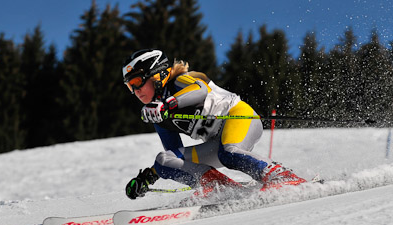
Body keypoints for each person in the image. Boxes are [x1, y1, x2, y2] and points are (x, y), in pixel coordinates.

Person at [121, 48, 306, 200]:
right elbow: (175, 156)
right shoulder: (159, 115)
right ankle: (220, 188)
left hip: (240, 117)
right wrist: (148, 177)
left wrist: (167, 104)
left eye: (137, 82)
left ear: (156, 74)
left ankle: (281, 176)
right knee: (164, 160)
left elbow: (200, 90)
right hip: (217, 143)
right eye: (130, 86)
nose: (135, 91)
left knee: (229, 153)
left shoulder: (179, 80)